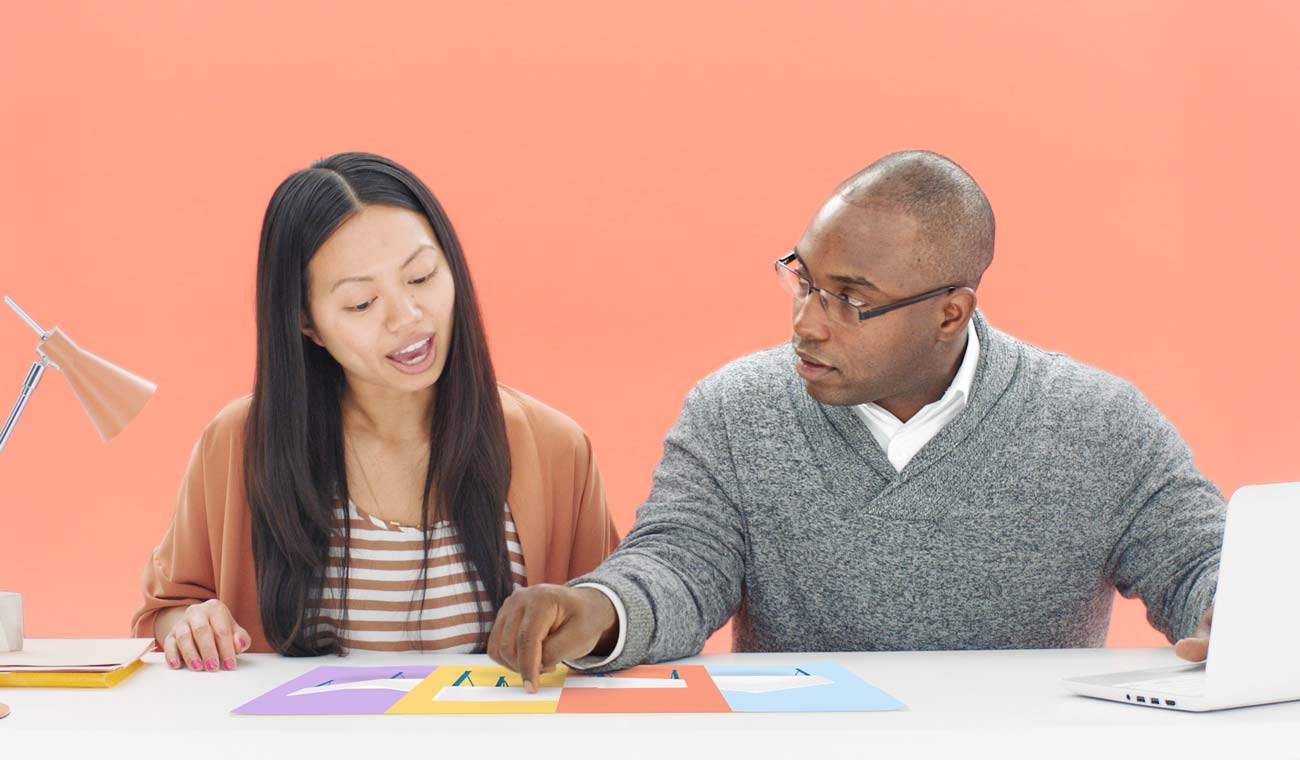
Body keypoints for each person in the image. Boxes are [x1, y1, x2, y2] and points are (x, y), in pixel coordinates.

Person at [487, 150, 1222, 690]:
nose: (806, 324)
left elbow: (1201, 562)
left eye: (850, 299)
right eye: (802, 280)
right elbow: (678, 564)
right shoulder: (733, 411)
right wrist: (600, 608)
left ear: (949, 314)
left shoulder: (1100, 423)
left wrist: (1235, 615)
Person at [132, 152, 617, 671]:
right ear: (306, 323)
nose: (407, 317)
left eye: (422, 276)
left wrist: (596, 623)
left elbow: (615, 621)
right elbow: (166, 609)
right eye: (362, 303)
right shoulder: (239, 443)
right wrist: (191, 623)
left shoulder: (554, 447)